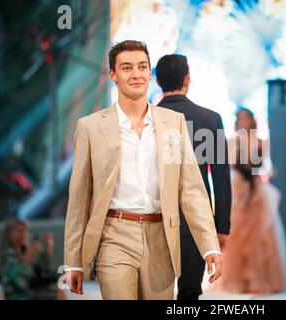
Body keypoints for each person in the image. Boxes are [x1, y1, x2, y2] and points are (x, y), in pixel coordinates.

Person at [63, 40, 222, 300]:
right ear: (113, 75)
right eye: (126, 68)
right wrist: (73, 261)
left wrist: (209, 246)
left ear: (150, 73)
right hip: (114, 236)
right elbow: (79, 198)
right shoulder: (91, 127)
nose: (136, 74)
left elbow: (191, 190)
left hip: (162, 237)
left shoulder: (173, 123)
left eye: (142, 67)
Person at [156, 54, 231, 300]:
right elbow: (220, 178)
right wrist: (221, 227)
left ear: (157, 81)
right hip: (195, 221)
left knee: (155, 292)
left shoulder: (147, 120)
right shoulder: (210, 119)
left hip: (153, 220)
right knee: (189, 294)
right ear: (187, 79)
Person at [222, 108, 286, 294]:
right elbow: (228, 164)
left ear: (252, 120)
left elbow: (267, 167)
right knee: (237, 232)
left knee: (260, 232)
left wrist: (255, 170)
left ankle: (259, 279)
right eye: (240, 118)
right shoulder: (231, 142)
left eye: (247, 117)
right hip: (238, 189)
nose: (244, 121)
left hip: (256, 188)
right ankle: (238, 280)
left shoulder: (261, 142)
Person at [1, 219, 55, 299]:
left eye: (26, 231)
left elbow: (44, 272)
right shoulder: (8, 255)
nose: (25, 235)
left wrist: (47, 251)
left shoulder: (25, 251)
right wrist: (28, 257)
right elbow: (21, 283)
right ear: (9, 234)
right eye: (20, 231)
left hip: (33, 292)